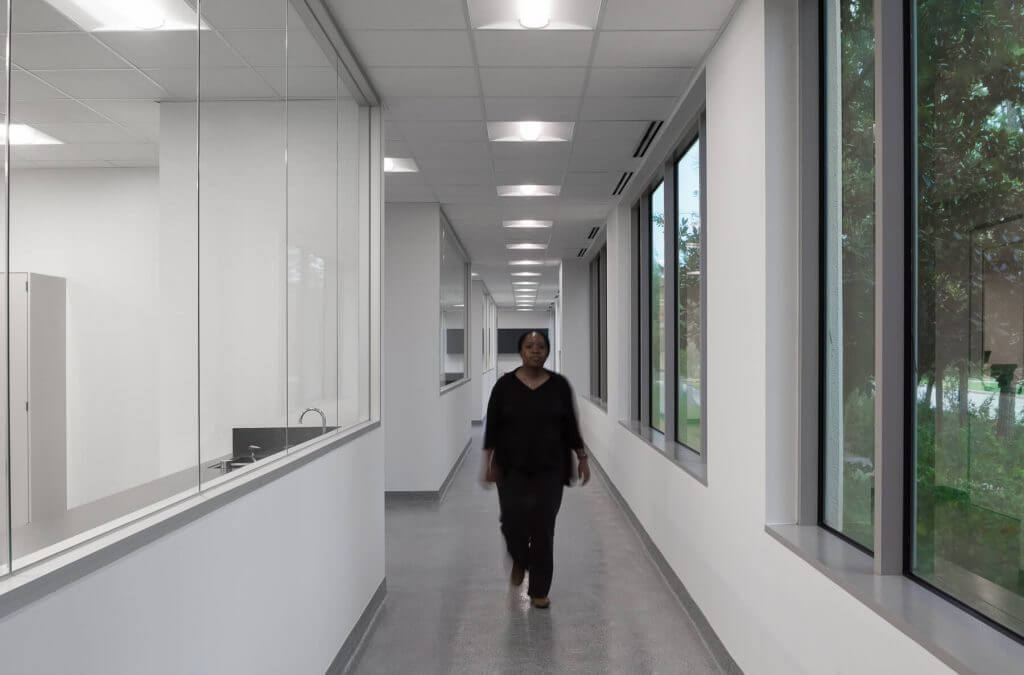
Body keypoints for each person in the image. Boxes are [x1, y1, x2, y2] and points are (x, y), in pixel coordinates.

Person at [480, 330, 589, 609]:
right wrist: (487, 463)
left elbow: (570, 425)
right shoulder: (504, 386)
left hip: (550, 469)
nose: (535, 350)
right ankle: (519, 559)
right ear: (521, 352)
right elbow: (492, 425)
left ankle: (539, 589)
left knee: (543, 528)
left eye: (541, 346)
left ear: (548, 352)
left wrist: (582, 456)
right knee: (512, 522)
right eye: (529, 346)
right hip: (510, 467)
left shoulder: (559, 386)